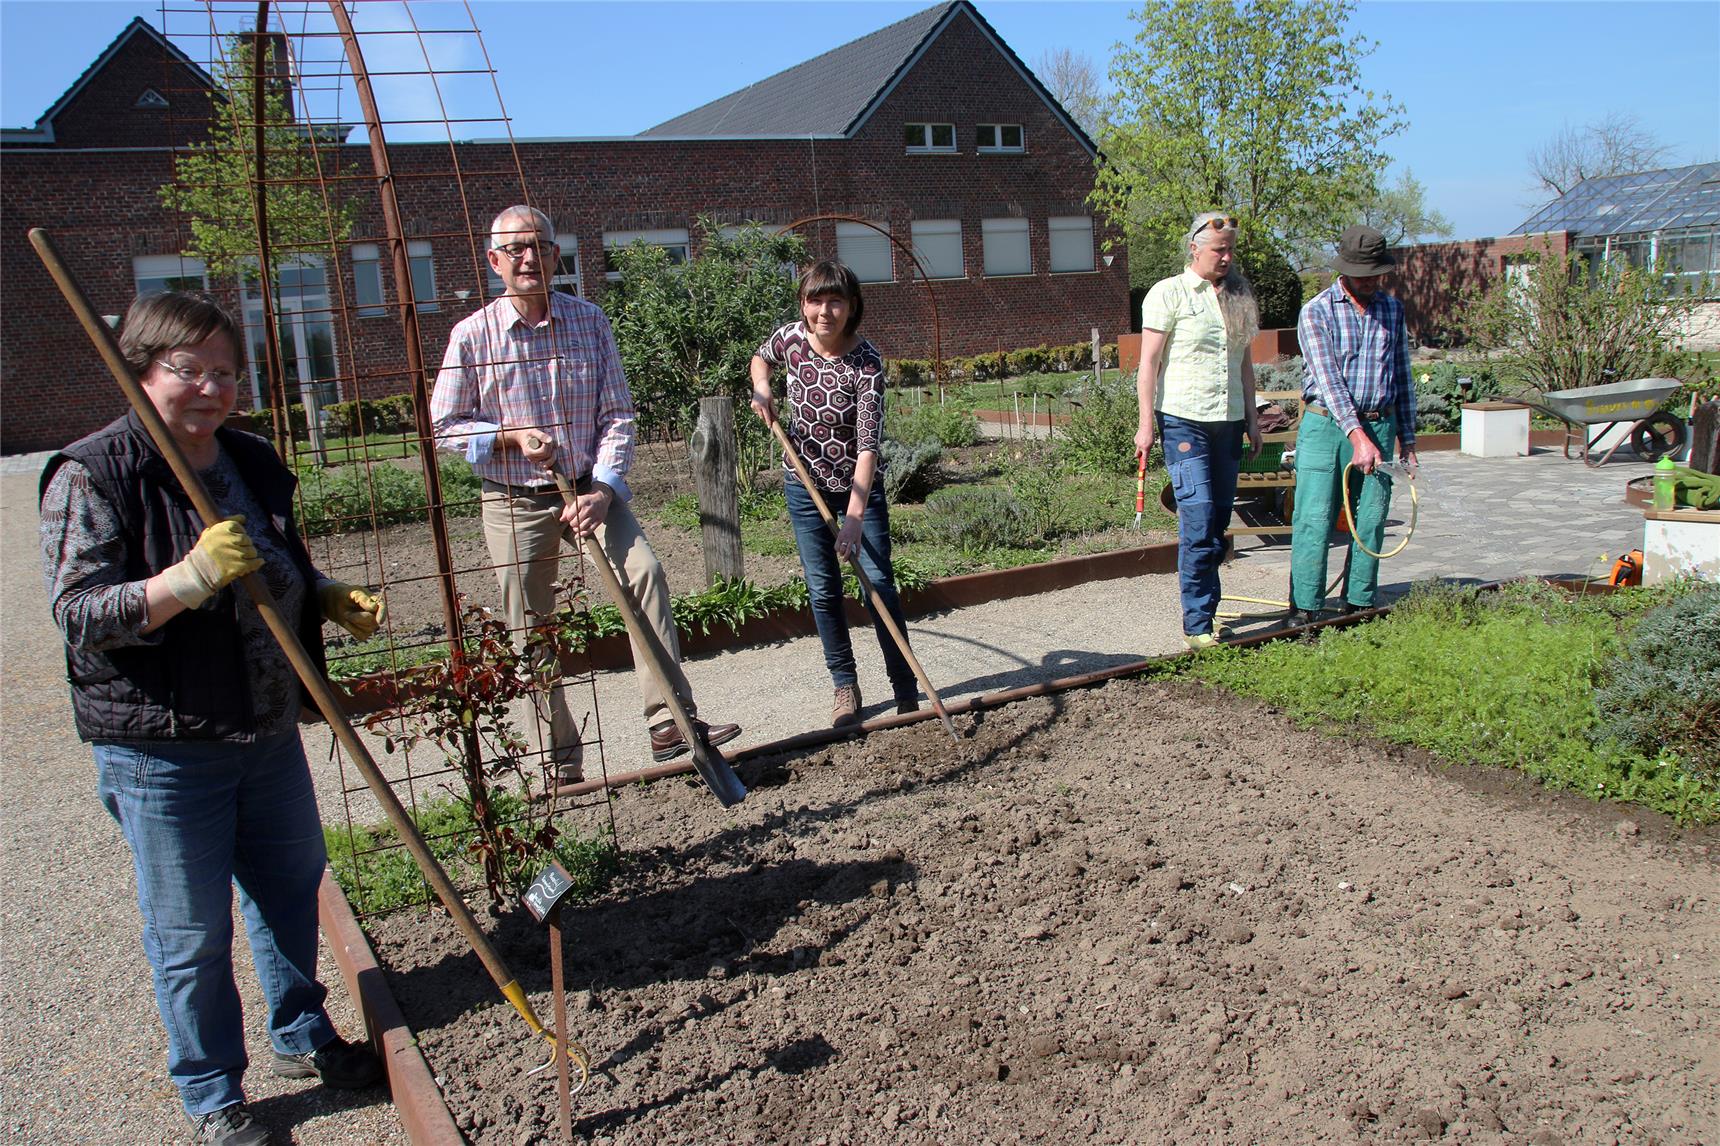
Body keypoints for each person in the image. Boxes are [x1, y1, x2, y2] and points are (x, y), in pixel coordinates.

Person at [39, 292, 385, 1146]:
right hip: (163, 744)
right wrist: (183, 583)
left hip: (265, 730)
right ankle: (210, 1091)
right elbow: (78, 613)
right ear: (140, 370)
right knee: (191, 930)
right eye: (188, 369)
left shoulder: (247, 458)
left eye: (225, 372)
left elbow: (277, 560)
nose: (211, 388)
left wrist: (320, 595)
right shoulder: (95, 471)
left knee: (289, 892)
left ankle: (302, 1033)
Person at [431, 205, 739, 778]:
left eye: (540, 247)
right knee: (530, 621)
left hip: (588, 492)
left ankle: (669, 720)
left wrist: (601, 490)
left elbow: (618, 415)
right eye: (517, 249)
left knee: (643, 573)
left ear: (555, 256)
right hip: (514, 498)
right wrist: (508, 436)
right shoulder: (472, 336)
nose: (530, 258)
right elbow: (445, 425)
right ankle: (557, 759)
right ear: (495, 261)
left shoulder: (589, 321)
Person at [749, 259, 921, 726]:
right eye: (815, 300)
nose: (825, 311)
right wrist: (762, 388)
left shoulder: (866, 363)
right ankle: (845, 687)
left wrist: (854, 517)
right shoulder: (790, 340)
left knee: (879, 587)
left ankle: (906, 690)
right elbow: (760, 357)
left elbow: (867, 448)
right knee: (823, 591)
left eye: (835, 301)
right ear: (804, 305)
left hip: (856, 490)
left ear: (851, 307)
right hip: (803, 487)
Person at [1133, 211, 1263, 650]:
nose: (1226, 257)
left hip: (1227, 423)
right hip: (1184, 421)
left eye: (1230, 250)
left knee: (1218, 522)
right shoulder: (1168, 293)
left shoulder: (1239, 293)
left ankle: (1207, 611)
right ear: (1195, 247)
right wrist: (1145, 424)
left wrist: (1252, 417)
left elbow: (1244, 360)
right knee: (1198, 515)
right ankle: (1198, 623)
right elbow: (1148, 363)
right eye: (1217, 249)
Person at [1288, 224, 1419, 622]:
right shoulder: (1316, 311)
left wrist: (1408, 441)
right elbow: (1328, 379)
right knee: (1314, 516)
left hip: (1380, 424)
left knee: (1372, 516)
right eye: (1364, 274)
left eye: (1377, 273)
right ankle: (1306, 609)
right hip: (1326, 426)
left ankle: (1360, 601)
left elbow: (1402, 375)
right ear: (1344, 271)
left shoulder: (1391, 311)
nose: (1372, 281)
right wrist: (1356, 435)